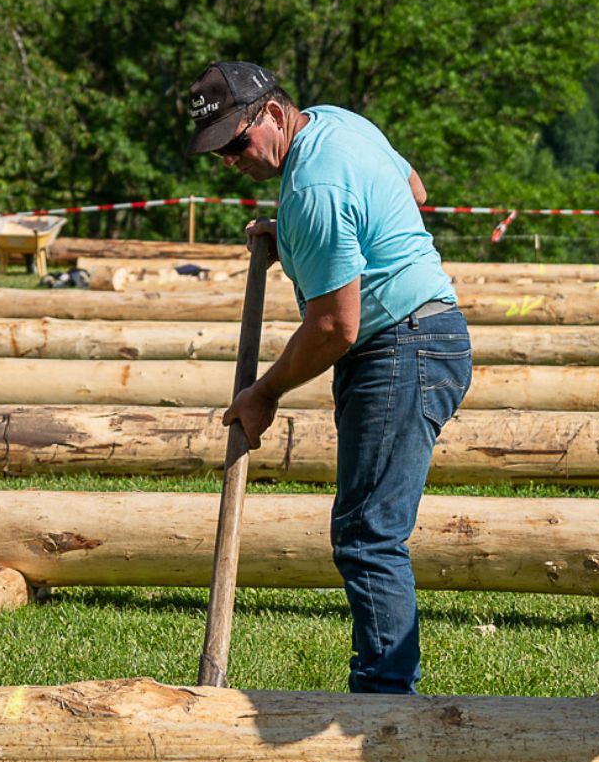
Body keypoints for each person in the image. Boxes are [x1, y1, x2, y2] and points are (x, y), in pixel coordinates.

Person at [190, 61, 471, 695]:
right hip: (426, 334)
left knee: (370, 535)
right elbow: (413, 191)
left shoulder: (313, 186)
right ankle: (384, 694)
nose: (230, 160)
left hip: (400, 347)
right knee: (369, 529)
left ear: (272, 112)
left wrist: (263, 394)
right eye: (218, 152)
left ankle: (383, 706)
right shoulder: (338, 125)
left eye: (236, 143)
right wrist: (293, 237)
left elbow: (334, 327)